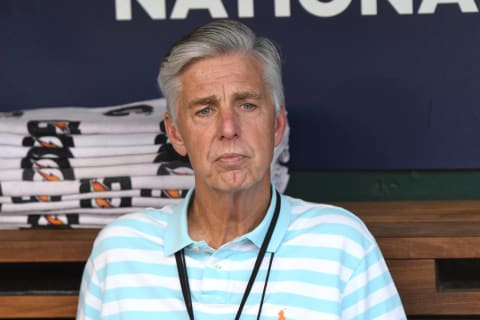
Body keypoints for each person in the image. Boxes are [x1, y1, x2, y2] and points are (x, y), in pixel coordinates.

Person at [77, 19, 406, 320]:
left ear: (277, 125)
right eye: (205, 110)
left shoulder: (342, 243)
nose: (229, 128)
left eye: (247, 104)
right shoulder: (120, 250)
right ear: (176, 133)